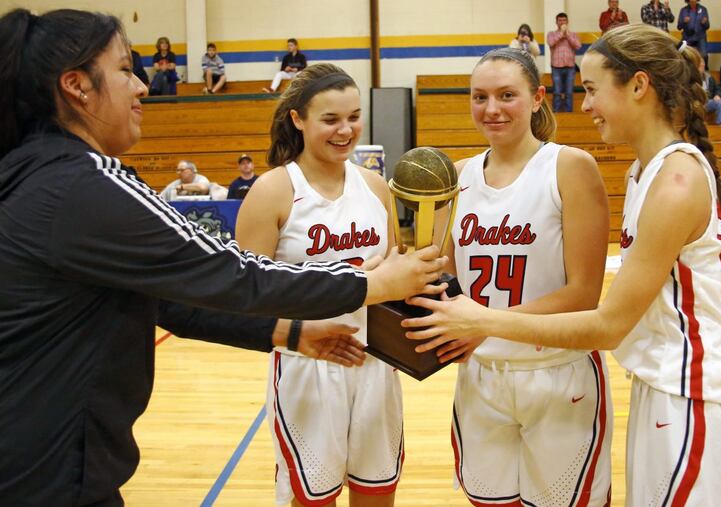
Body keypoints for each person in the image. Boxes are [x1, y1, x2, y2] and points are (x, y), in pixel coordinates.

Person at [0, 9, 448, 506]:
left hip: (41, 457)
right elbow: (235, 274)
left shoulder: (34, 174)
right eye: (126, 69)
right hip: (46, 470)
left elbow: (171, 303)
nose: (142, 87)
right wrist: (375, 285)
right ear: (76, 86)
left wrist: (292, 332)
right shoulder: (86, 186)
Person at [405, 24, 721, 506]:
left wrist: (479, 320)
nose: (584, 105)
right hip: (659, 384)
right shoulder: (644, 172)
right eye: (478, 96)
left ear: (637, 86)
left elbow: (606, 322)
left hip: (690, 386)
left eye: (590, 90)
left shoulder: (672, 179)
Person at [425, 46, 613, 506]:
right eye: (479, 97)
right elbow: (443, 276)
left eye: (507, 95)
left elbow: (584, 294)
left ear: (537, 98)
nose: (491, 109)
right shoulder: (457, 175)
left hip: (557, 371)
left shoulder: (569, 167)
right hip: (481, 374)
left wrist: (484, 323)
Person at [237, 63, 402, 507]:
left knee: (378, 493)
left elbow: (394, 273)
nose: (345, 130)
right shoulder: (273, 191)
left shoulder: (374, 186)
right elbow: (246, 299)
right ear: (298, 119)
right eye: (330, 119)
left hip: (374, 361)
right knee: (313, 500)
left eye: (353, 116)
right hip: (306, 365)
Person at [547, 12, 581, 113]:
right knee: (557, 92)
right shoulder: (551, 34)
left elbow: (578, 46)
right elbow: (551, 43)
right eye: (560, 20)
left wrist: (568, 36)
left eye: (564, 20)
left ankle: (568, 115)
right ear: (556, 22)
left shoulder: (573, 35)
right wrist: (561, 34)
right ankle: (556, 114)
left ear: (567, 22)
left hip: (570, 67)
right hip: (556, 67)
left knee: (569, 93)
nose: (562, 22)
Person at [678, 0, 710, 64]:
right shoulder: (683, 10)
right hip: (687, 37)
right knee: (684, 55)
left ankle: (705, 71)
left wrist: (704, 23)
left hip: (700, 36)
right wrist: (684, 22)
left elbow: (707, 26)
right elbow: (679, 27)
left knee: (704, 55)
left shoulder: (703, 9)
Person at [700, 56, 721, 125]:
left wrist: (717, 95)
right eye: (700, 63)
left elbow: (718, 88)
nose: (702, 65)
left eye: (703, 63)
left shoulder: (709, 77)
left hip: (708, 101)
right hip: (696, 103)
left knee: (719, 103)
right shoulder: (690, 78)